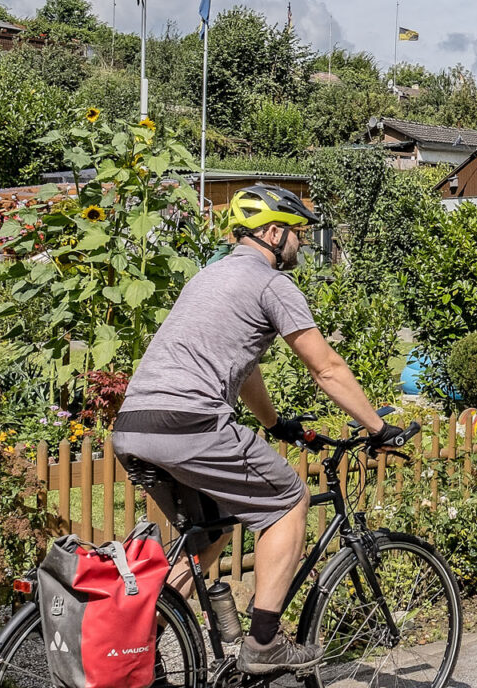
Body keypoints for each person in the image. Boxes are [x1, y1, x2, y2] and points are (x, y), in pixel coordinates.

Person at [112, 183, 407, 674]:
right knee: (289, 500)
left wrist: (274, 423)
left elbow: (244, 366)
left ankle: (132, 650)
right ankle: (265, 644)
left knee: (209, 537)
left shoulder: (208, 278)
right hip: (191, 423)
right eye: (297, 235)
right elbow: (326, 367)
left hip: (134, 426)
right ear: (272, 233)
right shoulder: (272, 284)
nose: (302, 246)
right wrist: (378, 427)